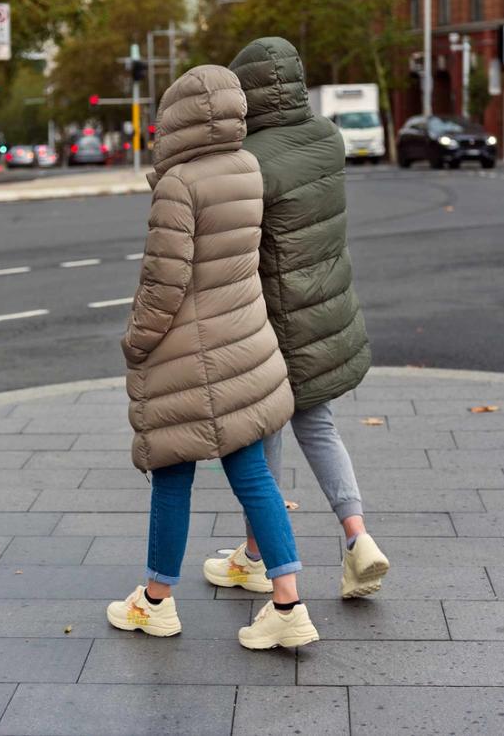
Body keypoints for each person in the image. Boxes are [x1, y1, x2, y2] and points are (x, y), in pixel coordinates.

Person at [106, 64, 319, 649]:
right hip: (243, 345)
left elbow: (163, 285)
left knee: (171, 479)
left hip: (184, 358)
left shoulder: (178, 185)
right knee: (254, 479)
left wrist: (136, 343)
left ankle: (155, 602)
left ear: (177, 119)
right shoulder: (248, 167)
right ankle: (288, 604)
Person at [203, 38, 390, 600]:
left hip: (273, 314)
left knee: (265, 430)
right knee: (318, 423)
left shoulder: (249, 161)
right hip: (327, 307)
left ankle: (259, 558)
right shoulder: (329, 138)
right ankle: (359, 540)